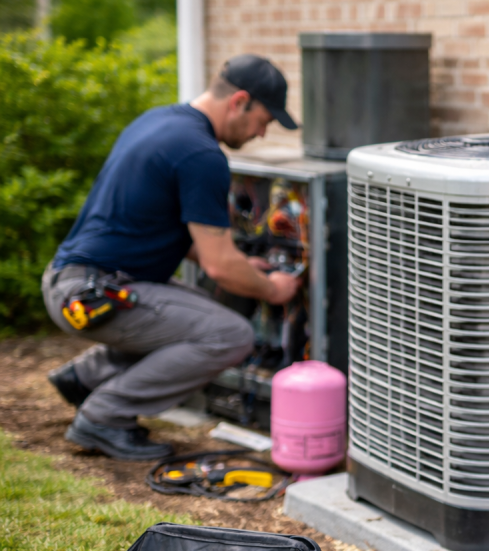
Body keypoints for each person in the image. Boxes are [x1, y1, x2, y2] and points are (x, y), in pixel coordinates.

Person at [41, 54, 302, 461]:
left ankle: (84, 378)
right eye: (263, 121)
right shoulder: (201, 154)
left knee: (201, 313)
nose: (262, 133)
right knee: (230, 335)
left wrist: (242, 266)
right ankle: (104, 417)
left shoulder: (159, 121)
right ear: (240, 101)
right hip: (94, 295)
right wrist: (273, 289)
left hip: (74, 280)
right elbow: (218, 266)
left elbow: (177, 232)